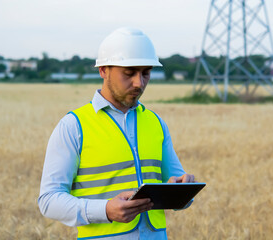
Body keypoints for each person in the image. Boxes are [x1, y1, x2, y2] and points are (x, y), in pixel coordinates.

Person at [38, 27, 196, 240]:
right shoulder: (73, 126)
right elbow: (48, 201)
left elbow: (177, 188)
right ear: (103, 70)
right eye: (129, 73)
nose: (139, 83)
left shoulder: (156, 123)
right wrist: (105, 210)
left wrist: (183, 189)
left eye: (146, 73)